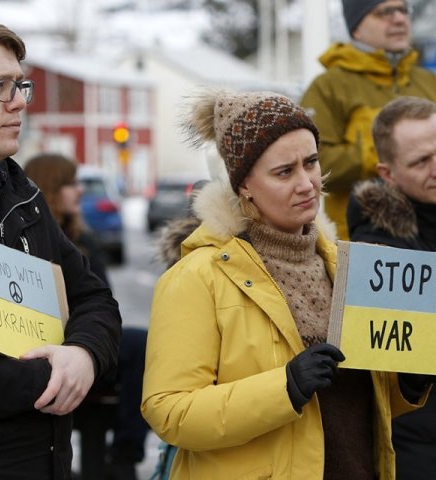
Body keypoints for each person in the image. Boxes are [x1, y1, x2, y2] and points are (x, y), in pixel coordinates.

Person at [141, 89, 430, 480]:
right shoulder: (196, 276)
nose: (307, 183)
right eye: (284, 172)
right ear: (244, 184)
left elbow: (359, 402)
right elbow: (169, 411)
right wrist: (285, 387)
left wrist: (409, 383)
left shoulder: (346, 264)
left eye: (310, 163)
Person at [0, 17, 121, 480]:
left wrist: (83, 356)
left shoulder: (23, 195)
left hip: (47, 462)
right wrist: (52, 379)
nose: (19, 103)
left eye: (21, 86)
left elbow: (93, 298)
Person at [24, 153, 149, 480]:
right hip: (42, 346)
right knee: (139, 344)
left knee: (144, 344)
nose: (79, 190)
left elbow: (103, 303)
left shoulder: (85, 240)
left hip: (89, 346)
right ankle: (124, 454)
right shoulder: (28, 240)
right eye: (69, 184)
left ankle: (126, 451)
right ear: (50, 188)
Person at [347, 96, 436, 479]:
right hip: (418, 451)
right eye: (421, 161)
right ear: (388, 173)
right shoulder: (376, 247)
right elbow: (402, 373)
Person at [300, 0, 436, 240]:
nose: (399, 19)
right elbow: (312, 163)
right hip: (359, 241)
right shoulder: (328, 87)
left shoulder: (428, 81)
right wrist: (390, 152)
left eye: (403, 9)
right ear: (356, 28)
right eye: (384, 11)